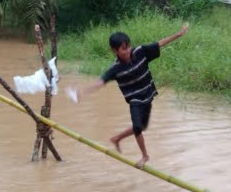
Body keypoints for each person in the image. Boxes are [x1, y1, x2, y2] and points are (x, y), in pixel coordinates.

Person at [65, 24, 189, 169]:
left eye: (128, 46)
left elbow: (159, 43)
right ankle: (145, 156)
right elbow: (100, 82)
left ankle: (117, 138)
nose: (128, 50)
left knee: (142, 127)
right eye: (124, 49)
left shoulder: (141, 51)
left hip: (147, 95)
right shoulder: (115, 69)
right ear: (114, 51)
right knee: (137, 127)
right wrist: (80, 93)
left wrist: (178, 34)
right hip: (135, 100)